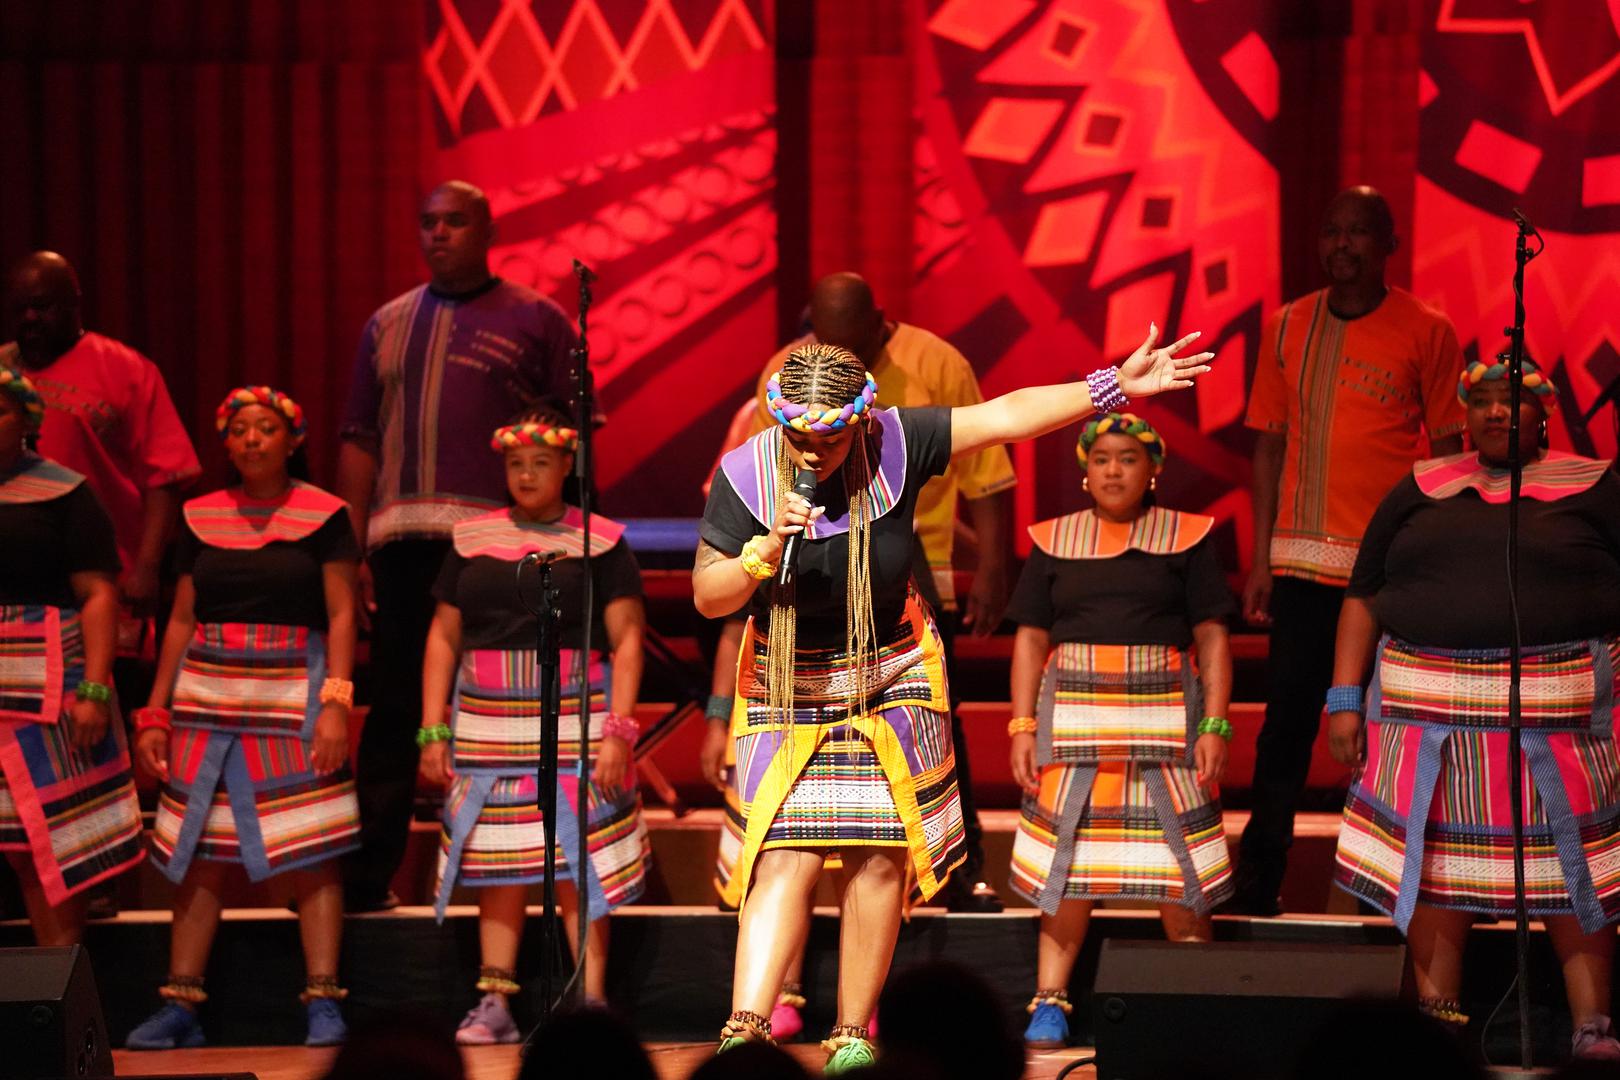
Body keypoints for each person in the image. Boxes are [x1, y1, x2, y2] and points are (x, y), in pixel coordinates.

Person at [695, 328, 1212, 1070]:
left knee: (880, 849)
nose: (812, 453)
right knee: (786, 848)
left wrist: (1111, 387)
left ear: (860, 420)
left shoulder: (898, 441)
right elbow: (709, 598)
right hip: (788, 676)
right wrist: (759, 554)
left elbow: (1007, 415)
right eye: (799, 437)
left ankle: (852, 1037)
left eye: (830, 438)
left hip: (892, 667)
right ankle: (744, 1029)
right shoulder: (746, 474)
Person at [1327, 358, 1620, 1061]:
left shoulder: (1596, 486)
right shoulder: (1420, 485)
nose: (1495, 412)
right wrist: (1343, 699)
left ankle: (1592, 1027)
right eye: (1482, 400)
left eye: (1511, 401)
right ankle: (1439, 1028)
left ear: (1543, 414)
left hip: (1559, 717)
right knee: (1436, 870)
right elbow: (1363, 593)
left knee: (1572, 868)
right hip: (1427, 714)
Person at [337, 180, 580, 912]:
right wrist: (350, 548)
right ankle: (367, 881)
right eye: (428, 222)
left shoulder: (538, 319)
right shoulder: (386, 324)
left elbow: (572, 437)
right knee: (395, 706)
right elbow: (359, 439)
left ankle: (520, 874)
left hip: (500, 549)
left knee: (501, 703)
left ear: (488, 230)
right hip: (401, 544)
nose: (438, 233)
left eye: (455, 221)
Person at [1232, 187, 1466, 914]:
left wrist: (1439, 562)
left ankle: (1392, 887)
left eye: (1359, 231)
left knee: (1390, 730)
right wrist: (1261, 557)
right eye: (1331, 230)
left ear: (1389, 243)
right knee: (1286, 727)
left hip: (1388, 570)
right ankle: (1260, 879)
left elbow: (1449, 452)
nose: (1342, 244)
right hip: (1300, 565)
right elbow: (1268, 445)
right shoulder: (1287, 325)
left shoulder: (1426, 329)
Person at [126, 387, 360, 1050]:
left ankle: (323, 1001)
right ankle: (181, 1006)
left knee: (312, 850)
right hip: (207, 697)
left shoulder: (325, 516)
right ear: (226, 445)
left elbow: (342, 613)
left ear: (294, 440)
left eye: (267, 428)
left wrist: (336, 703)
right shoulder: (199, 516)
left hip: (295, 697)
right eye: (240, 430)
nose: (252, 439)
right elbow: (180, 619)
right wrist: (156, 711)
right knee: (199, 851)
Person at [420, 404, 650, 1044]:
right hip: (486, 717)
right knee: (500, 859)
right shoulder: (471, 539)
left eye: (540, 463)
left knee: (580, 859)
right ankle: (495, 1000)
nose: (526, 475)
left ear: (566, 465)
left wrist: (618, 730)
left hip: (575, 713)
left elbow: (628, 639)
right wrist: (432, 727)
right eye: (516, 464)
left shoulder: (600, 540)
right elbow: (443, 638)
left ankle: (592, 1003)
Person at [1006, 413, 1234, 1049]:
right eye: (1102, 459)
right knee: (1069, 866)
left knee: (1181, 868)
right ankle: (1050, 1000)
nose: (1113, 470)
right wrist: (1022, 724)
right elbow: (1030, 641)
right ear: (1085, 471)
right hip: (1074, 725)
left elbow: (1213, 638)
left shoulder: (1187, 539)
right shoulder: (1054, 541)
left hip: (1166, 727)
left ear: (1153, 469)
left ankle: (1197, 1002)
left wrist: (1215, 722)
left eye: (1128, 459)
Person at [0, 369, 143, 943]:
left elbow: (98, 595)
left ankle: (60, 985)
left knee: (51, 846)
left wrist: (95, 689)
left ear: (26, 419)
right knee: (14, 844)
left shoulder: (64, 493)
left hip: (51, 688)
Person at [1, 251, 201, 627]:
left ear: (73, 304)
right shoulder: (3, 369)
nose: (29, 318)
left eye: (41, 307)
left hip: (104, 576)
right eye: (19, 309)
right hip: (15, 583)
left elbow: (165, 477)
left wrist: (147, 566)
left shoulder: (125, 369)